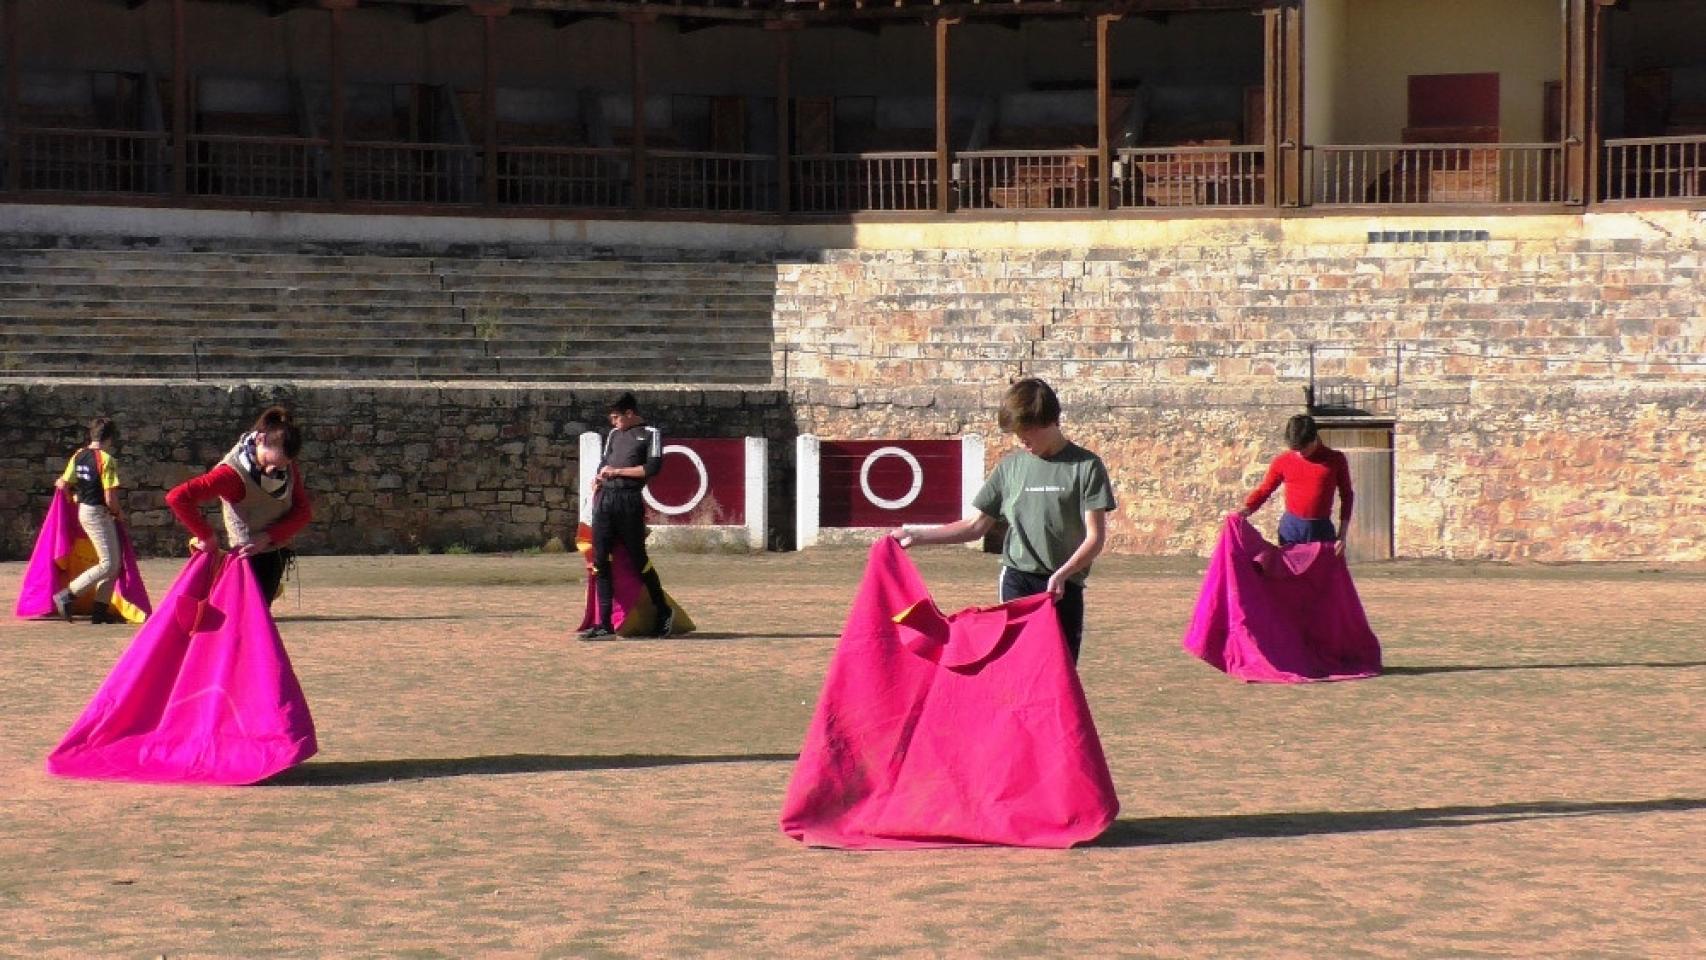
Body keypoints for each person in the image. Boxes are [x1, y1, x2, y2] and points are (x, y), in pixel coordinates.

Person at [889, 377, 1115, 664]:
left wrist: (1063, 574)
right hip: (1018, 581)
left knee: (1062, 672)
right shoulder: (1011, 467)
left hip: (1064, 586)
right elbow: (976, 526)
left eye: (1026, 431)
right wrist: (918, 535)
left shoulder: (1086, 467)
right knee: (1015, 667)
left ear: (1049, 422)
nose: (1021, 440)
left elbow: (1094, 539)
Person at [164, 406, 313, 604]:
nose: (272, 471)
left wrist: (268, 536)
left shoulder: (286, 462)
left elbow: (303, 512)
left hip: (276, 554)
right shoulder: (230, 475)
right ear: (259, 439)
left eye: (280, 466)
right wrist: (207, 537)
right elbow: (177, 497)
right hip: (247, 561)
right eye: (270, 462)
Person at [579, 392, 674, 640]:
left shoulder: (651, 433)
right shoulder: (613, 435)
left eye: (616, 417)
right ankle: (605, 623)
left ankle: (663, 611)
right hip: (605, 501)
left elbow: (652, 468)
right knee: (600, 561)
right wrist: (599, 477)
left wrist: (617, 471)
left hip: (629, 502)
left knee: (638, 559)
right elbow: (603, 464)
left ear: (630, 414)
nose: (614, 423)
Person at [1239, 413, 1353, 555]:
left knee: (1322, 577)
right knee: (1290, 576)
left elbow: (1347, 495)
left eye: (1303, 448)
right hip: (1291, 530)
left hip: (1321, 530)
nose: (1299, 453)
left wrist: (1342, 535)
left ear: (1314, 439)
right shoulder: (1283, 461)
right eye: (1295, 449)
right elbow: (1264, 490)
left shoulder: (1335, 460)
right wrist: (1246, 510)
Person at [50, 417, 127, 624]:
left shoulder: (78, 455)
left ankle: (100, 611)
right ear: (110, 438)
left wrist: (71, 499)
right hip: (99, 513)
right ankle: (68, 594)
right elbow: (110, 497)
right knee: (109, 563)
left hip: (85, 510)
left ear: (92, 435)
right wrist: (118, 512)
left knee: (114, 563)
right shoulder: (107, 460)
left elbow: (64, 483)